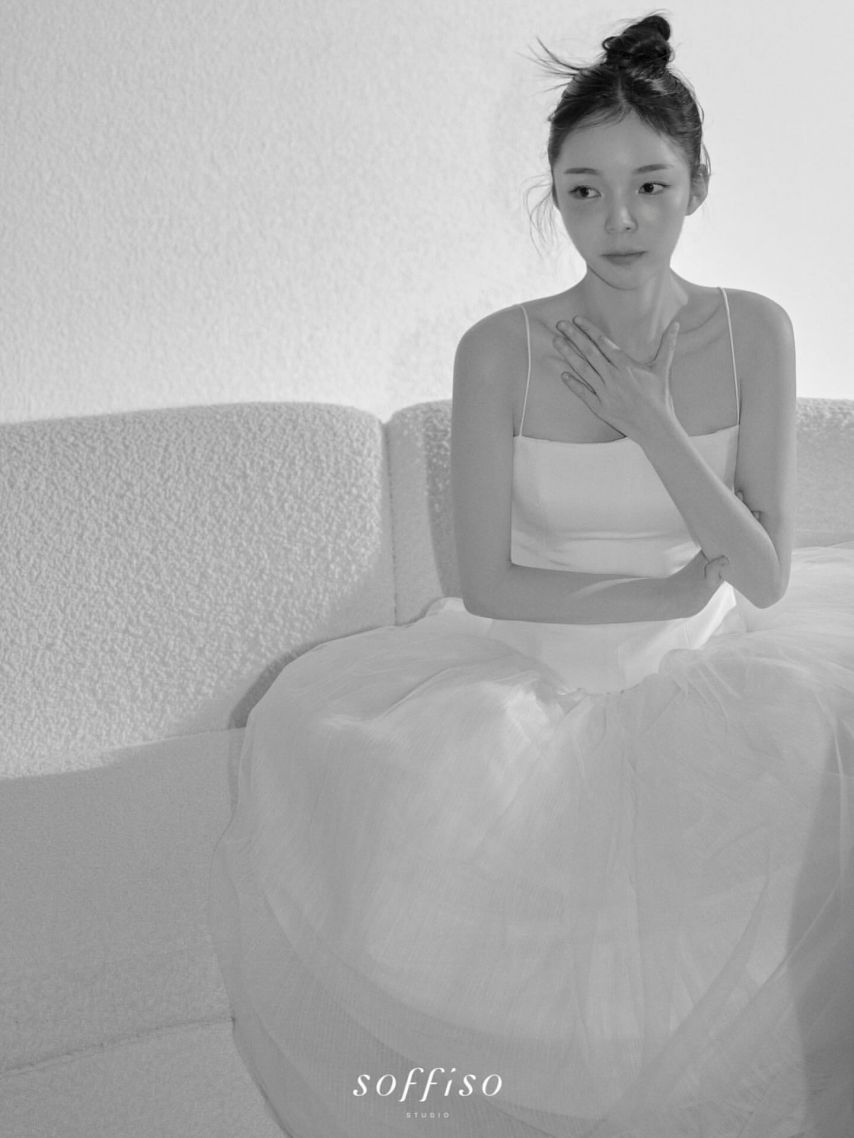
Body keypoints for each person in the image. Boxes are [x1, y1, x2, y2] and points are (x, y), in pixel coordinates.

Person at [207, 14, 854, 1137]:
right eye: (583, 190)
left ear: (698, 185)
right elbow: (492, 585)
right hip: (530, 667)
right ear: (551, 196)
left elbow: (758, 574)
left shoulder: (756, 330)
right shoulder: (497, 349)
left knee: (802, 761)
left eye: (650, 186)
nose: (619, 220)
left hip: (712, 666)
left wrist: (649, 421)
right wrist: (663, 592)